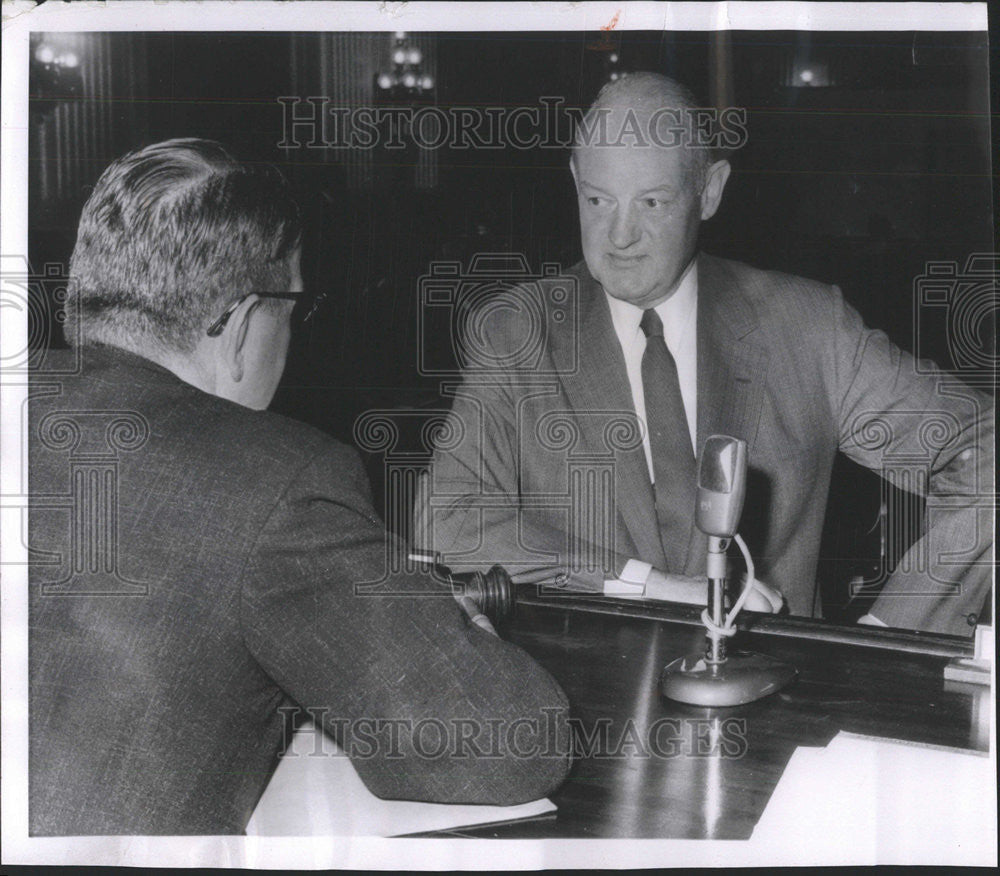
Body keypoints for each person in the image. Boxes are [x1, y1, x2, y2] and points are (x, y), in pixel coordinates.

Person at [28, 139, 571, 836]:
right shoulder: (276, 480)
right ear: (243, 325)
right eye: (295, 309)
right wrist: (449, 621)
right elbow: (510, 746)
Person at [415, 73, 993, 637]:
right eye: (597, 199)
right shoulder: (520, 332)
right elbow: (448, 521)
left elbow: (985, 454)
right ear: (573, 180)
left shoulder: (809, 327)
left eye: (651, 202)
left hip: (778, 707)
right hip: (586, 709)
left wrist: (888, 640)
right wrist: (650, 586)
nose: (619, 236)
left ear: (709, 191)